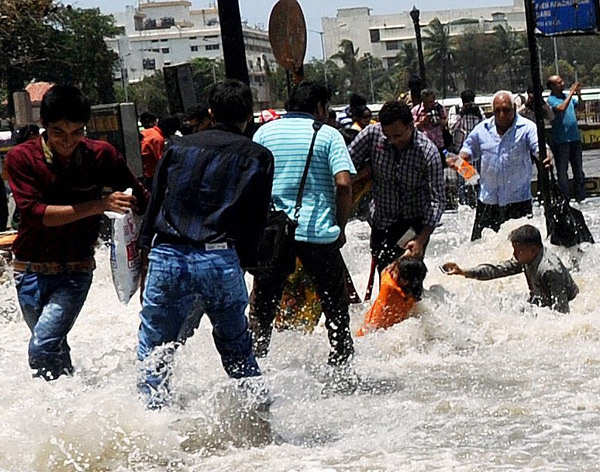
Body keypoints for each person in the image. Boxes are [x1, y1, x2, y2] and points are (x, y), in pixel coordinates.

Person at [137, 79, 274, 411]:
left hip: (168, 256)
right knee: (238, 350)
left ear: (210, 112)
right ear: (248, 114)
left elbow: (154, 204)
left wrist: (144, 258)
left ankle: (154, 427)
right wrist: (248, 267)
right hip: (220, 259)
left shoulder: (176, 148)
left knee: (156, 351)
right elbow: (255, 221)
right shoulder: (257, 156)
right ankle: (260, 422)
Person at [5, 85, 147, 380]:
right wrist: (98, 205)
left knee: (41, 348)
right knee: (54, 351)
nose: (68, 141)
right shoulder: (21, 158)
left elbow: (142, 198)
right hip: (28, 272)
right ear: (44, 126)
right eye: (59, 133)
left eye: (76, 132)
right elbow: (35, 214)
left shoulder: (101, 155)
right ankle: (64, 414)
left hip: (75, 272)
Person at [250, 80, 355, 367]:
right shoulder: (329, 135)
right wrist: (341, 226)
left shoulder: (264, 133)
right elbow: (344, 185)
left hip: (273, 235)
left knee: (264, 305)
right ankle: (340, 366)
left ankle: (256, 364)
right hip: (318, 234)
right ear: (320, 107)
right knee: (335, 306)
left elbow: (251, 183)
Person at [349, 100, 445, 272]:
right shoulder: (372, 134)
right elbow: (346, 164)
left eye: (398, 136)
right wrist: (362, 173)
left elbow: (436, 201)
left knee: (406, 282)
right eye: (388, 136)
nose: (393, 141)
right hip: (381, 222)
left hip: (413, 227)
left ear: (411, 126)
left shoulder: (428, 153)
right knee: (385, 276)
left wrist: (421, 241)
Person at [453, 91, 551, 241]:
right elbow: (464, 154)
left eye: (506, 110)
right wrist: (469, 173)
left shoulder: (527, 128)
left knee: (521, 252)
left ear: (514, 108)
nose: (502, 115)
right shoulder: (482, 129)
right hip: (487, 202)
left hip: (518, 202)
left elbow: (540, 148)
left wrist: (547, 157)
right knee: (481, 249)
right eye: (497, 111)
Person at [443, 224, 578, 314]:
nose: (514, 255)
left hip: (566, 305)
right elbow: (497, 270)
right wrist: (463, 271)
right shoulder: (526, 257)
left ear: (533, 250)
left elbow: (563, 314)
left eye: (518, 251)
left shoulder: (550, 270)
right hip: (541, 303)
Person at [357, 257, 427, 335]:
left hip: (368, 332)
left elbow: (384, 271)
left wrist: (395, 262)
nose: (392, 272)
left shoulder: (388, 286)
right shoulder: (414, 293)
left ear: (404, 281)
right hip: (390, 331)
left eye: (395, 272)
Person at [547, 76, 586, 203]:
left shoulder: (566, 97)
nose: (562, 84)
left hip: (574, 139)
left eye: (562, 81)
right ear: (552, 86)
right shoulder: (551, 100)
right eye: (559, 83)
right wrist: (570, 93)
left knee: (578, 169)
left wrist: (579, 95)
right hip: (561, 141)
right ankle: (565, 197)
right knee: (562, 171)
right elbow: (561, 108)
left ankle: (580, 195)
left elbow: (580, 107)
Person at [140, 115, 179, 188]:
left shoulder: (149, 131)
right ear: (169, 129)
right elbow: (161, 160)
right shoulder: (158, 138)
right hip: (151, 176)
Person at [412, 89, 448, 160]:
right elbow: (411, 128)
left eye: (431, 102)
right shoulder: (416, 111)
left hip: (439, 144)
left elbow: (446, 122)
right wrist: (422, 122)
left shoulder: (439, 108)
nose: (429, 105)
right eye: (426, 102)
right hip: (424, 146)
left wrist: (439, 121)